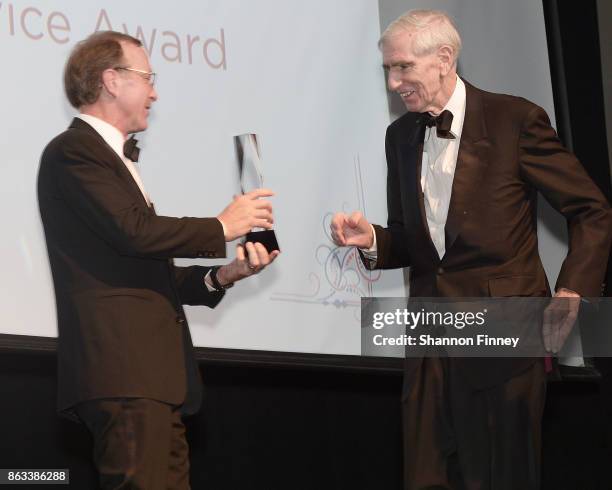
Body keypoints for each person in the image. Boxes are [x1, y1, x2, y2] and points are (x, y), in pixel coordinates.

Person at [330, 9, 611, 490]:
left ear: (444, 58)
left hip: (505, 332)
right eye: (388, 70)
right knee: (424, 475)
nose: (394, 83)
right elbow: (417, 242)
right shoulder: (399, 136)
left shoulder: (514, 120)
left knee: (500, 477)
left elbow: (592, 209)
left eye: (403, 67)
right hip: (431, 337)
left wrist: (570, 292)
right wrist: (375, 240)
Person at [37, 31, 279, 490]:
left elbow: (146, 268)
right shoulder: (74, 152)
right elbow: (136, 232)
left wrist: (225, 274)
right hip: (123, 372)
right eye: (148, 77)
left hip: (152, 379)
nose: (155, 91)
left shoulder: (112, 159)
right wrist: (220, 226)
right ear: (111, 80)